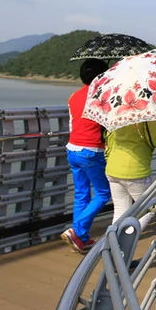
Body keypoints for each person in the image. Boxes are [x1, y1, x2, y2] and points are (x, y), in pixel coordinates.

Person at [62, 58, 109, 254]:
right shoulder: (103, 97)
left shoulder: (74, 96)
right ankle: (77, 230)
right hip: (92, 151)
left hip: (73, 149)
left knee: (81, 194)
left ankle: (80, 239)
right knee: (103, 193)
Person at [105, 118, 156, 233]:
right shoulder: (146, 114)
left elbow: (109, 140)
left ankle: (114, 242)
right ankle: (128, 239)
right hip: (136, 169)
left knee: (120, 211)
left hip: (113, 167)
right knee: (149, 209)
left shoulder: (117, 113)